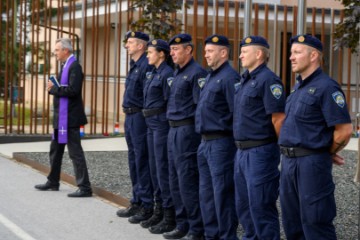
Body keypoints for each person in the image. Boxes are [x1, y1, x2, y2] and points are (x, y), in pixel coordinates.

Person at [278, 34, 353, 239]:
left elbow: (344, 130)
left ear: (313, 56)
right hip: (289, 162)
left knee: (315, 221)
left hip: (311, 163)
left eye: (297, 52)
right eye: (291, 53)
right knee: (292, 222)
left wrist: (326, 152)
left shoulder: (327, 87)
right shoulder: (297, 88)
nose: (291, 57)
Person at [233, 35, 286, 239]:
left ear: (259, 54)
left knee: (261, 205)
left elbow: (278, 119)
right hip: (242, 151)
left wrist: (280, 148)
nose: (239, 56)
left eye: (244, 52)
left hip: (260, 152)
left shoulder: (269, 80)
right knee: (244, 204)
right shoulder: (245, 80)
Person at [160, 33, 207, 240]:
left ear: (189, 49)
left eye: (176, 49)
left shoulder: (197, 73)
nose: (172, 53)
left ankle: (197, 228)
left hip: (187, 132)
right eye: (171, 50)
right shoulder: (178, 73)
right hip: (173, 130)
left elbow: (200, 108)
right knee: (174, 179)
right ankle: (182, 224)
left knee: (187, 180)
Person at [34, 38, 92, 197]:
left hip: (70, 118)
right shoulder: (65, 66)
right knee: (55, 151)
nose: (55, 53)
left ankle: (85, 187)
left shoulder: (75, 67)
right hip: (61, 118)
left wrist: (53, 89)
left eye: (57, 50)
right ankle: (53, 181)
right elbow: (63, 88)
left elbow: (73, 91)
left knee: (75, 153)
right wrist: (55, 87)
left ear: (66, 50)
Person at [195, 34, 239, 240]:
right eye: (205, 52)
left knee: (222, 194)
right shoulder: (211, 76)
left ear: (224, 52)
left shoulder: (230, 78)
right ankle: (211, 234)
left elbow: (236, 113)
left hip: (221, 143)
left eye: (210, 51)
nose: (206, 55)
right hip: (204, 143)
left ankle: (226, 236)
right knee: (206, 194)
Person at [116, 31, 154, 224]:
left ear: (141, 46)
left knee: (141, 160)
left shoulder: (146, 66)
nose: (126, 46)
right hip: (130, 116)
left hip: (139, 116)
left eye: (130, 42)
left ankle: (147, 204)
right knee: (133, 159)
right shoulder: (134, 66)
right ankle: (137, 200)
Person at [141, 39, 176, 232]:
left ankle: (168, 215)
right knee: (154, 169)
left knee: (162, 170)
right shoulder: (153, 73)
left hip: (160, 124)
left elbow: (170, 102)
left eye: (150, 52)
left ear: (161, 54)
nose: (147, 55)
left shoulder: (167, 74)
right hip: (150, 124)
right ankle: (158, 210)